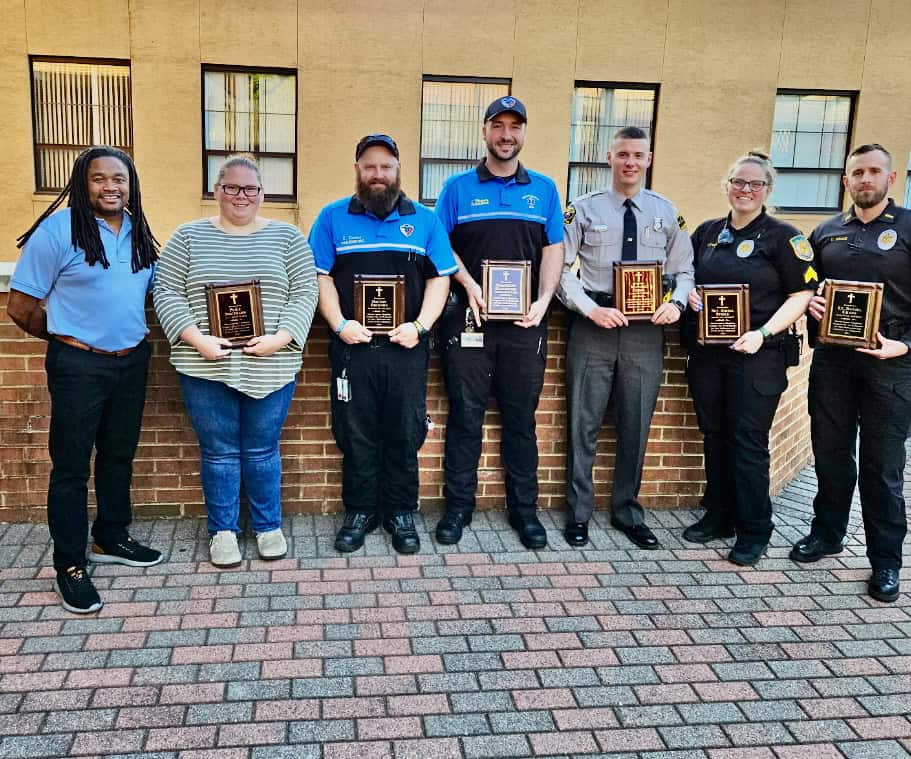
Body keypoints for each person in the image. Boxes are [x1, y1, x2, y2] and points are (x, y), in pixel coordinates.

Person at [7, 146, 162, 614]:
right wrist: (67, 340)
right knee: (72, 467)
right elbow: (20, 307)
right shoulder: (58, 230)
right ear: (82, 182)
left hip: (131, 360)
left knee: (118, 455)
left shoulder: (139, 232)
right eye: (100, 178)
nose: (111, 187)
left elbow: (152, 293)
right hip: (78, 365)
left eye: (120, 179)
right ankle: (70, 565)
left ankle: (111, 536)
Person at [153, 155, 317, 568]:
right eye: (231, 187)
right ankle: (222, 531)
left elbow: (304, 292)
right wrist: (197, 340)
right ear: (216, 191)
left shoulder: (288, 238)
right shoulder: (187, 237)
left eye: (249, 189)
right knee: (219, 451)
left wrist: (280, 339)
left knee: (263, 450)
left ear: (262, 194)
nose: (240, 196)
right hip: (205, 366)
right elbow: (167, 291)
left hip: (271, 366)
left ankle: (267, 527)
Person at [309, 134, 456, 555]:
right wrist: (339, 325)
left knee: (403, 431)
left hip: (405, 350)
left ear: (398, 170)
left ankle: (399, 512)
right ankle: (359, 511)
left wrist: (421, 326)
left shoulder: (424, 220)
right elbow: (320, 277)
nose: (378, 174)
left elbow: (439, 278)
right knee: (355, 433)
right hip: (352, 350)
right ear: (358, 169)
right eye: (370, 166)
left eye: (386, 167)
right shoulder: (332, 217)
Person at [433, 96, 564, 549]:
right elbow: (439, 247)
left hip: (525, 325)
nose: (506, 134)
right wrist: (469, 285)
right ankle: (458, 509)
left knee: (520, 420)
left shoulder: (544, 189)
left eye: (515, 126)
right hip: (468, 321)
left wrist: (545, 299)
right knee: (465, 417)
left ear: (523, 133)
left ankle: (525, 513)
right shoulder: (456, 188)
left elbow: (553, 249)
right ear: (485, 132)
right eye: (498, 126)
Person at [558, 126, 694, 549]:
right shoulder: (582, 210)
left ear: (649, 159)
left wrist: (677, 302)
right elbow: (560, 270)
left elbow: (684, 271)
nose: (630, 162)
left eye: (637, 155)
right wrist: (590, 309)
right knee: (584, 422)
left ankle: (626, 511)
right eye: (622, 155)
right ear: (609, 158)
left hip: (645, 333)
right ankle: (578, 513)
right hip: (593, 325)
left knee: (635, 424)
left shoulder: (667, 212)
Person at [789, 143, 911, 602]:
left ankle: (885, 563)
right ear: (846, 181)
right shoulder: (825, 232)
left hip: (892, 363)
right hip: (833, 361)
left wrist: (905, 344)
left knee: (883, 468)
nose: (865, 179)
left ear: (890, 179)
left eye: (874, 171)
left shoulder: (909, 227)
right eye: (857, 172)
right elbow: (806, 289)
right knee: (831, 453)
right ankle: (827, 533)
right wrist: (812, 304)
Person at [682, 151, 816, 566]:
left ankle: (755, 528)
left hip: (759, 356)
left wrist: (762, 333)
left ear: (767, 190)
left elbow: (803, 294)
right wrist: (685, 291)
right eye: (739, 181)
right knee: (715, 434)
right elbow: (682, 274)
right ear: (727, 185)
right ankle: (720, 515)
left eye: (755, 184)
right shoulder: (706, 233)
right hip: (709, 355)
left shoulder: (784, 237)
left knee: (748, 442)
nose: (745, 189)